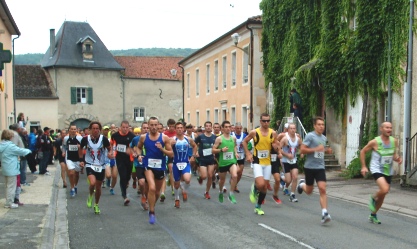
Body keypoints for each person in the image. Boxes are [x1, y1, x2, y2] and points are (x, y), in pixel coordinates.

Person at [360, 122, 402, 224]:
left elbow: (393, 155)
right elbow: (363, 151)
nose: (389, 129)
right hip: (376, 168)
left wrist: (397, 159)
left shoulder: (394, 141)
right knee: (384, 189)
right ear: (381, 129)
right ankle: (373, 197)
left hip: (387, 170)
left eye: (390, 128)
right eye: (387, 127)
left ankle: (373, 214)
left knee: (383, 194)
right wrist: (364, 166)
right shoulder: (375, 142)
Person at [137, 117, 173, 224]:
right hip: (148, 166)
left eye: (155, 125)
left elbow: (171, 153)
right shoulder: (143, 137)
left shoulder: (164, 138)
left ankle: (152, 205)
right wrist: (139, 155)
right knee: (151, 188)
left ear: (158, 125)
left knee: (157, 192)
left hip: (160, 167)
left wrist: (162, 149)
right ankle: (152, 212)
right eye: (151, 125)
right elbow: (138, 148)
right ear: (148, 126)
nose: (153, 127)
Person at [297, 116, 332, 224]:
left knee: (322, 189)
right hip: (309, 167)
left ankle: (324, 213)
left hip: (320, 167)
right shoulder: (310, 136)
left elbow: (322, 150)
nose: (321, 126)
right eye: (319, 124)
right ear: (314, 126)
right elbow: (302, 149)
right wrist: (315, 149)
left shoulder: (324, 138)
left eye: (323, 124)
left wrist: (327, 150)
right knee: (309, 191)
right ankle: (301, 185)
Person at [243, 113, 279, 215]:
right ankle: (255, 187)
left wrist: (276, 147)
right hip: (257, 162)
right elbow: (244, 142)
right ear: (260, 121)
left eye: (268, 121)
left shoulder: (273, 133)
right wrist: (248, 153)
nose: (266, 123)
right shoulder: (255, 132)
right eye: (264, 121)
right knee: (261, 184)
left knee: (264, 187)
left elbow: (275, 144)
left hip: (268, 162)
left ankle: (258, 206)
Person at [79, 121, 113, 214]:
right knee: (92, 183)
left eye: (97, 128)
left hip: (101, 166)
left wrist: (110, 153)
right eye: (93, 128)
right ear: (90, 130)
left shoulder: (104, 139)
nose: (95, 130)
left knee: (98, 187)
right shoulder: (85, 139)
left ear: (100, 130)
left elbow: (109, 148)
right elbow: (81, 148)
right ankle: (90, 195)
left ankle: (96, 204)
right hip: (90, 164)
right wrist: (81, 160)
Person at [0, 130, 32, 209]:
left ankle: (8, 201)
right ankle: (9, 203)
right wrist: (29, 150)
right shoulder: (10, 146)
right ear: (9, 136)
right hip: (12, 169)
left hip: (5, 168)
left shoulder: (1, 145)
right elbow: (20, 151)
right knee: (11, 187)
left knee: (8, 186)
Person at [170, 122, 197, 208]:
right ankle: (177, 199)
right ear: (175, 129)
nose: (179, 129)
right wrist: (171, 145)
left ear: (183, 128)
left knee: (187, 179)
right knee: (176, 184)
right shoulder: (172, 139)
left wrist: (193, 155)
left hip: (185, 163)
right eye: (177, 128)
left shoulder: (188, 139)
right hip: (176, 163)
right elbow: (168, 150)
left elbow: (195, 146)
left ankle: (184, 190)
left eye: (181, 127)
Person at [212, 121, 238, 204]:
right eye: (226, 127)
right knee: (222, 180)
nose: (228, 128)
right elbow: (213, 150)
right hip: (223, 163)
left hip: (232, 161)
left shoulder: (233, 138)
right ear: (222, 128)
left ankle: (231, 194)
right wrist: (221, 150)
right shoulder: (219, 138)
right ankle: (220, 192)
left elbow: (234, 147)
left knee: (234, 175)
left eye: (229, 127)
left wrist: (236, 153)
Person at [111, 120, 135, 206]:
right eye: (123, 127)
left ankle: (126, 182)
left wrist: (131, 150)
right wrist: (111, 152)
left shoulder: (132, 136)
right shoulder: (115, 136)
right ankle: (124, 196)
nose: (125, 129)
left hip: (129, 159)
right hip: (119, 159)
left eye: (126, 127)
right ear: (120, 127)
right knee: (122, 176)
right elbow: (112, 145)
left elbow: (135, 147)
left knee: (128, 176)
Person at [194, 121, 217, 199]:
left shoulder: (214, 137)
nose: (208, 127)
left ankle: (207, 192)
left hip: (211, 158)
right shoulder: (201, 137)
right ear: (204, 127)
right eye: (206, 126)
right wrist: (196, 151)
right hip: (202, 158)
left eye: (209, 126)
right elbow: (194, 144)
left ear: (211, 127)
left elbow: (217, 147)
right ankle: (201, 177)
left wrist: (215, 154)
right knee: (204, 176)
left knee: (210, 176)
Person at [280, 123, 303, 202]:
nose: (293, 130)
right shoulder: (284, 139)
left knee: (295, 177)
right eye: (291, 128)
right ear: (288, 130)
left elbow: (301, 145)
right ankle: (282, 178)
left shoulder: (298, 138)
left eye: (294, 128)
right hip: (285, 161)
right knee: (288, 180)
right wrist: (286, 155)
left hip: (293, 160)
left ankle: (292, 194)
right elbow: (278, 149)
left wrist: (302, 152)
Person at [131, 122, 149, 210]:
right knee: (141, 182)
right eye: (144, 128)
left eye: (147, 128)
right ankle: (143, 196)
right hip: (139, 163)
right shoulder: (136, 139)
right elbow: (131, 147)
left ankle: (146, 197)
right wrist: (134, 153)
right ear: (141, 129)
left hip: (150, 164)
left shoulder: (152, 139)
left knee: (148, 185)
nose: (146, 129)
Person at [63, 125, 83, 197]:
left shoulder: (80, 138)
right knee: (71, 173)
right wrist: (63, 152)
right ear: (69, 130)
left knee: (77, 174)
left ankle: (75, 185)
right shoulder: (66, 138)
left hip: (78, 158)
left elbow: (84, 147)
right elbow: (64, 146)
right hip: (69, 158)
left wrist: (80, 147)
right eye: (72, 129)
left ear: (76, 130)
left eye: (75, 129)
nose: (73, 130)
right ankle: (72, 188)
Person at [160, 118, 176, 202]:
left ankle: (173, 189)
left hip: (174, 154)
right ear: (168, 126)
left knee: (171, 169)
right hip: (166, 153)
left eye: (173, 126)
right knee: (164, 172)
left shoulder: (177, 133)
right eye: (170, 126)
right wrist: (169, 142)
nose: (172, 128)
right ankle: (163, 192)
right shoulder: (165, 134)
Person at [102, 126, 118, 194]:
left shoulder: (118, 141)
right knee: (108, 175)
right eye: (112, 134)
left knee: (114, 176)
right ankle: (108, 179)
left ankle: (112, 188)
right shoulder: (107, 141)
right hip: (107, 159)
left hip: (115, 160)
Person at [233, 122, 246, 193]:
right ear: (235, 128)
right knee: (236, 171)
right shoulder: (232, 135)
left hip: (241, 155)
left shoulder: (244, 135)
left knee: (240, 173)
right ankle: (233, 179)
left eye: (240, 128)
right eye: (237, 128)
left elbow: (248, 144)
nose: (239, 129)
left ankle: (235, 184)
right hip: (234, 156)